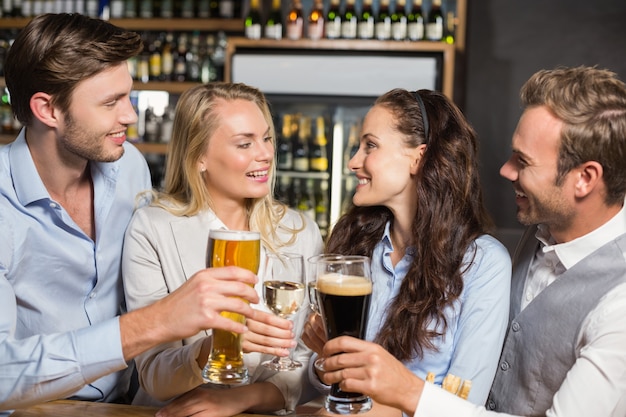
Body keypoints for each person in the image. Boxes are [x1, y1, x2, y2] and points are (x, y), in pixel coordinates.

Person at [318, 66, 626, 417]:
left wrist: (407, 392)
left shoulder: (618, 305)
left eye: (522, 161)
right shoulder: (540, 233)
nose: (505, 171)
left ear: (585, 179)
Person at [0, 13, 263, 414]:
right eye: (111, 103)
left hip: (127, 405)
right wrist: (156, 321)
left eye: (128, 95)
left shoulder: (129, 167)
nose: (131, 115)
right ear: (47, 110)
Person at [302, 88, 512, 412]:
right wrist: (325, 359)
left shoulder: (482, 264)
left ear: (418, 157)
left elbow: (463, 405)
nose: (353, 161)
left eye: (370, 146)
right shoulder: (354, 245)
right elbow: (319, 381)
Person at [121, 82, 324, 416]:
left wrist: (241, 398)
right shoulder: (152, 228)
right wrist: (215, 348)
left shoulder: (300, 232)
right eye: (245, 143)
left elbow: (303, 365)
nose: (266, 154)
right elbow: (154, 374)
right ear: (199, 156)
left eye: (267, 138)